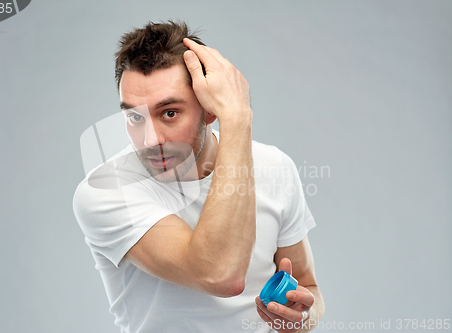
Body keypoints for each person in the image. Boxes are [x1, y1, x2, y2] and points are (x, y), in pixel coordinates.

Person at [73, 20, 325, 333]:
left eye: (169, 113)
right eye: (135, 116)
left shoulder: (275, 167)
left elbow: (309, 288)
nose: (150, 139)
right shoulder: (106, 191)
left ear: (209, 109)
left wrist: (300, 319)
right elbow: (219, 275)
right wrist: (238, 116)